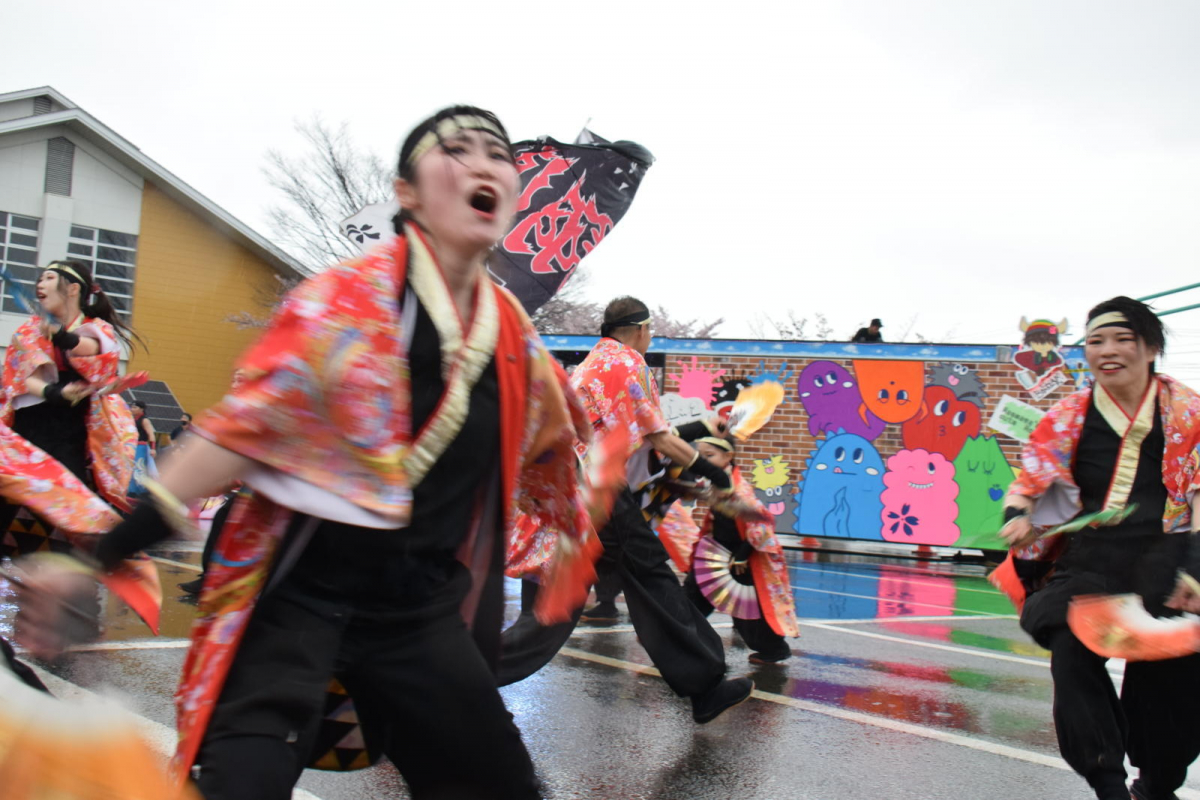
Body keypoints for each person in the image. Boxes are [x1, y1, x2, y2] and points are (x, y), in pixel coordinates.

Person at [16, 106, 599, 800]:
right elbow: (235, 435)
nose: (483, 163)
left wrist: (574, 544)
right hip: (298, 597)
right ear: (406, 193)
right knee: (243, 783)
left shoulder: (513, 337)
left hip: (420, 615)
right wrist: (93, 560)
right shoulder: (344, 302)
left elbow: (553, 452)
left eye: (498, 155)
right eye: (457, 150)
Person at [500, 296, 755, 724]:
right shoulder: (631, 363)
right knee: (649, 576)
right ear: (640, 329)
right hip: (594, 488)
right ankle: (705, 684)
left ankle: (459, 677)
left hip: (569, 485)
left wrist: (697, 434)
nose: (650, 339)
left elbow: (646, 428)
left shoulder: (595, 362)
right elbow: (658, 437)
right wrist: (714, 470)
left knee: (555, 605)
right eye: (650, 332)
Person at [999, 296, 1200, 800]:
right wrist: (1019, 516)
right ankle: (1106, 779)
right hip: (1094, 558)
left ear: (1151, 348)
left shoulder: (1189, 412)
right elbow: (1030, 482)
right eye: (1095, 342)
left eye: (1122, 339)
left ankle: (1156, 782)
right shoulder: (1068, 416)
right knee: (1070, 642)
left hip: (1172, 557)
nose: (1107, 351)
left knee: (1169, 677)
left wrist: (1195, 573)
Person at [0, 259, 146, 686]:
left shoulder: (93, 331)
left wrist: (61, 337)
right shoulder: (28, 331)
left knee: (66, 531)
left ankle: (73, 636)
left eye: (49, 277)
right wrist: (50, 389)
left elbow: (90, 352)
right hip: (21, 441)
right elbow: (14, 380)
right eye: (40, 277)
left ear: (74, 288)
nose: (40, 283)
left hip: (67, 444)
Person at [667, 437, 799, 664]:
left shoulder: (740, 489)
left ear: (728, 457)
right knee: (693, 594)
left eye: (709, 456)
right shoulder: (719, 483)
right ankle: (671, 638)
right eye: (702, 456)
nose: (703, 461)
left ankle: (773, 650)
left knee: (748, 611)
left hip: (740, 558)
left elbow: (763, 523)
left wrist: (742, 555)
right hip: (716, 551)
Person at [128, 400, 158, 496]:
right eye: (132, 407)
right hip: (133, 446)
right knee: (131, 468)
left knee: (139, 468)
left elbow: (151, 434)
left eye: (135, 407)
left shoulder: (145, 420)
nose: (132, 409)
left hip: (141, 447)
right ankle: (131, 489)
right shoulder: (132, 419)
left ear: (142, 409)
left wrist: (153, 448)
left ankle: (140, 490)